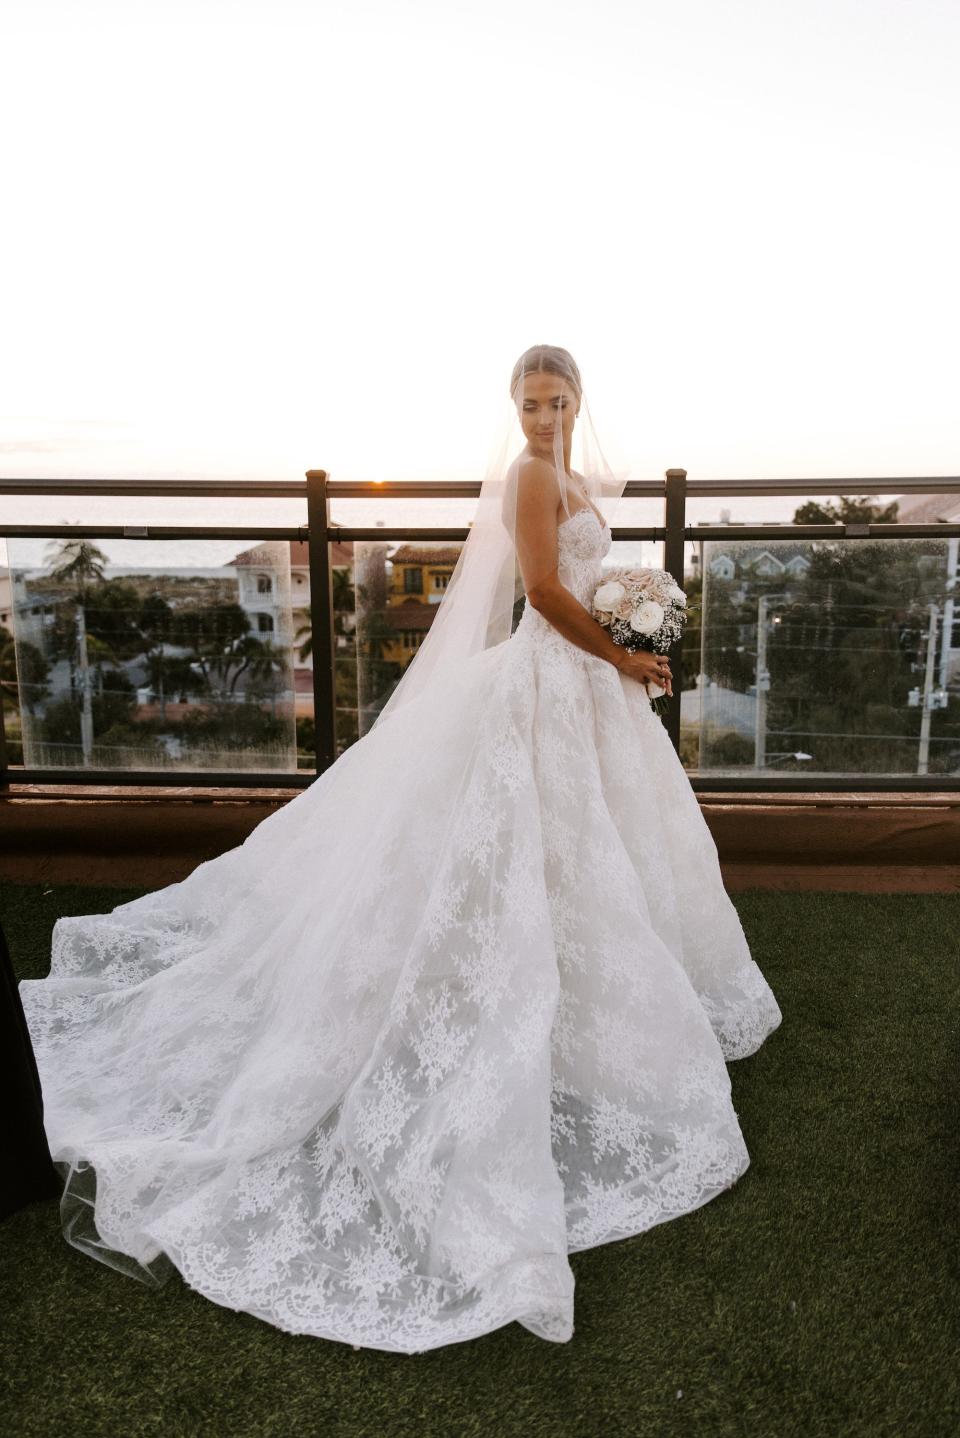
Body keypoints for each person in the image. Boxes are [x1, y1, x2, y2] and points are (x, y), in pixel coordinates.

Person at [19, 344, 782, 1355]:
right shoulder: (526, 475)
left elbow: (582, 575)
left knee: (591, 845)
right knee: (522, 844)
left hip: (587, 687)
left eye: (557, 400)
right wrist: (624, 647)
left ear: (578, 401)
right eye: (529, 400)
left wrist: (630, 616)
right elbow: (547, 592)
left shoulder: (574, 477)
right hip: (552, 676)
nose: (544, 414)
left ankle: (586, 1000)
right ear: (513, 406)